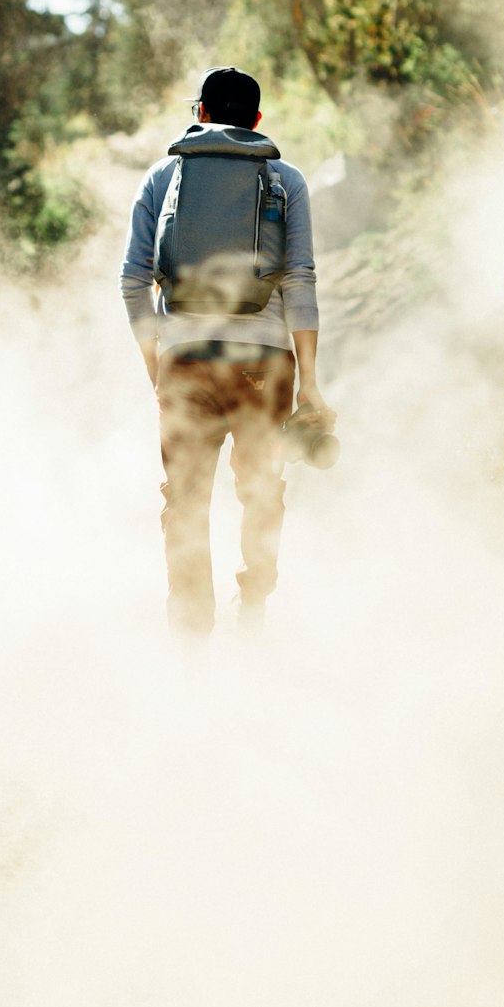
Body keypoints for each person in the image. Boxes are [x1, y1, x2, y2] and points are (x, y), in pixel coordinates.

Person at [120, 65, 336, 634]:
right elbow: (299, 280)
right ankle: (255, 607)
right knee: (261, 489)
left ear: (202, 115)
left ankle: (192, 639)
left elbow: (133, 280)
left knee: (186, 504)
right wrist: (309, 381)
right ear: (257, 121)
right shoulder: (284, 178)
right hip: (263, 365)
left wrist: (157, 369)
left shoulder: (164, 177)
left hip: (186, 363)